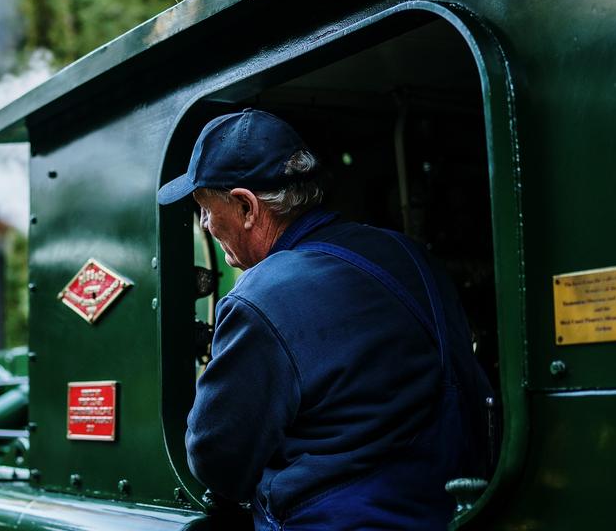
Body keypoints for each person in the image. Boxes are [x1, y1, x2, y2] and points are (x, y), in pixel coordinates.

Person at [157, 108, 491, 531]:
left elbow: (217, 460)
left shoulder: (259, 298)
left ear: (245, 207)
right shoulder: (410, 255)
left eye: (205, 209)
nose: (206, 224)